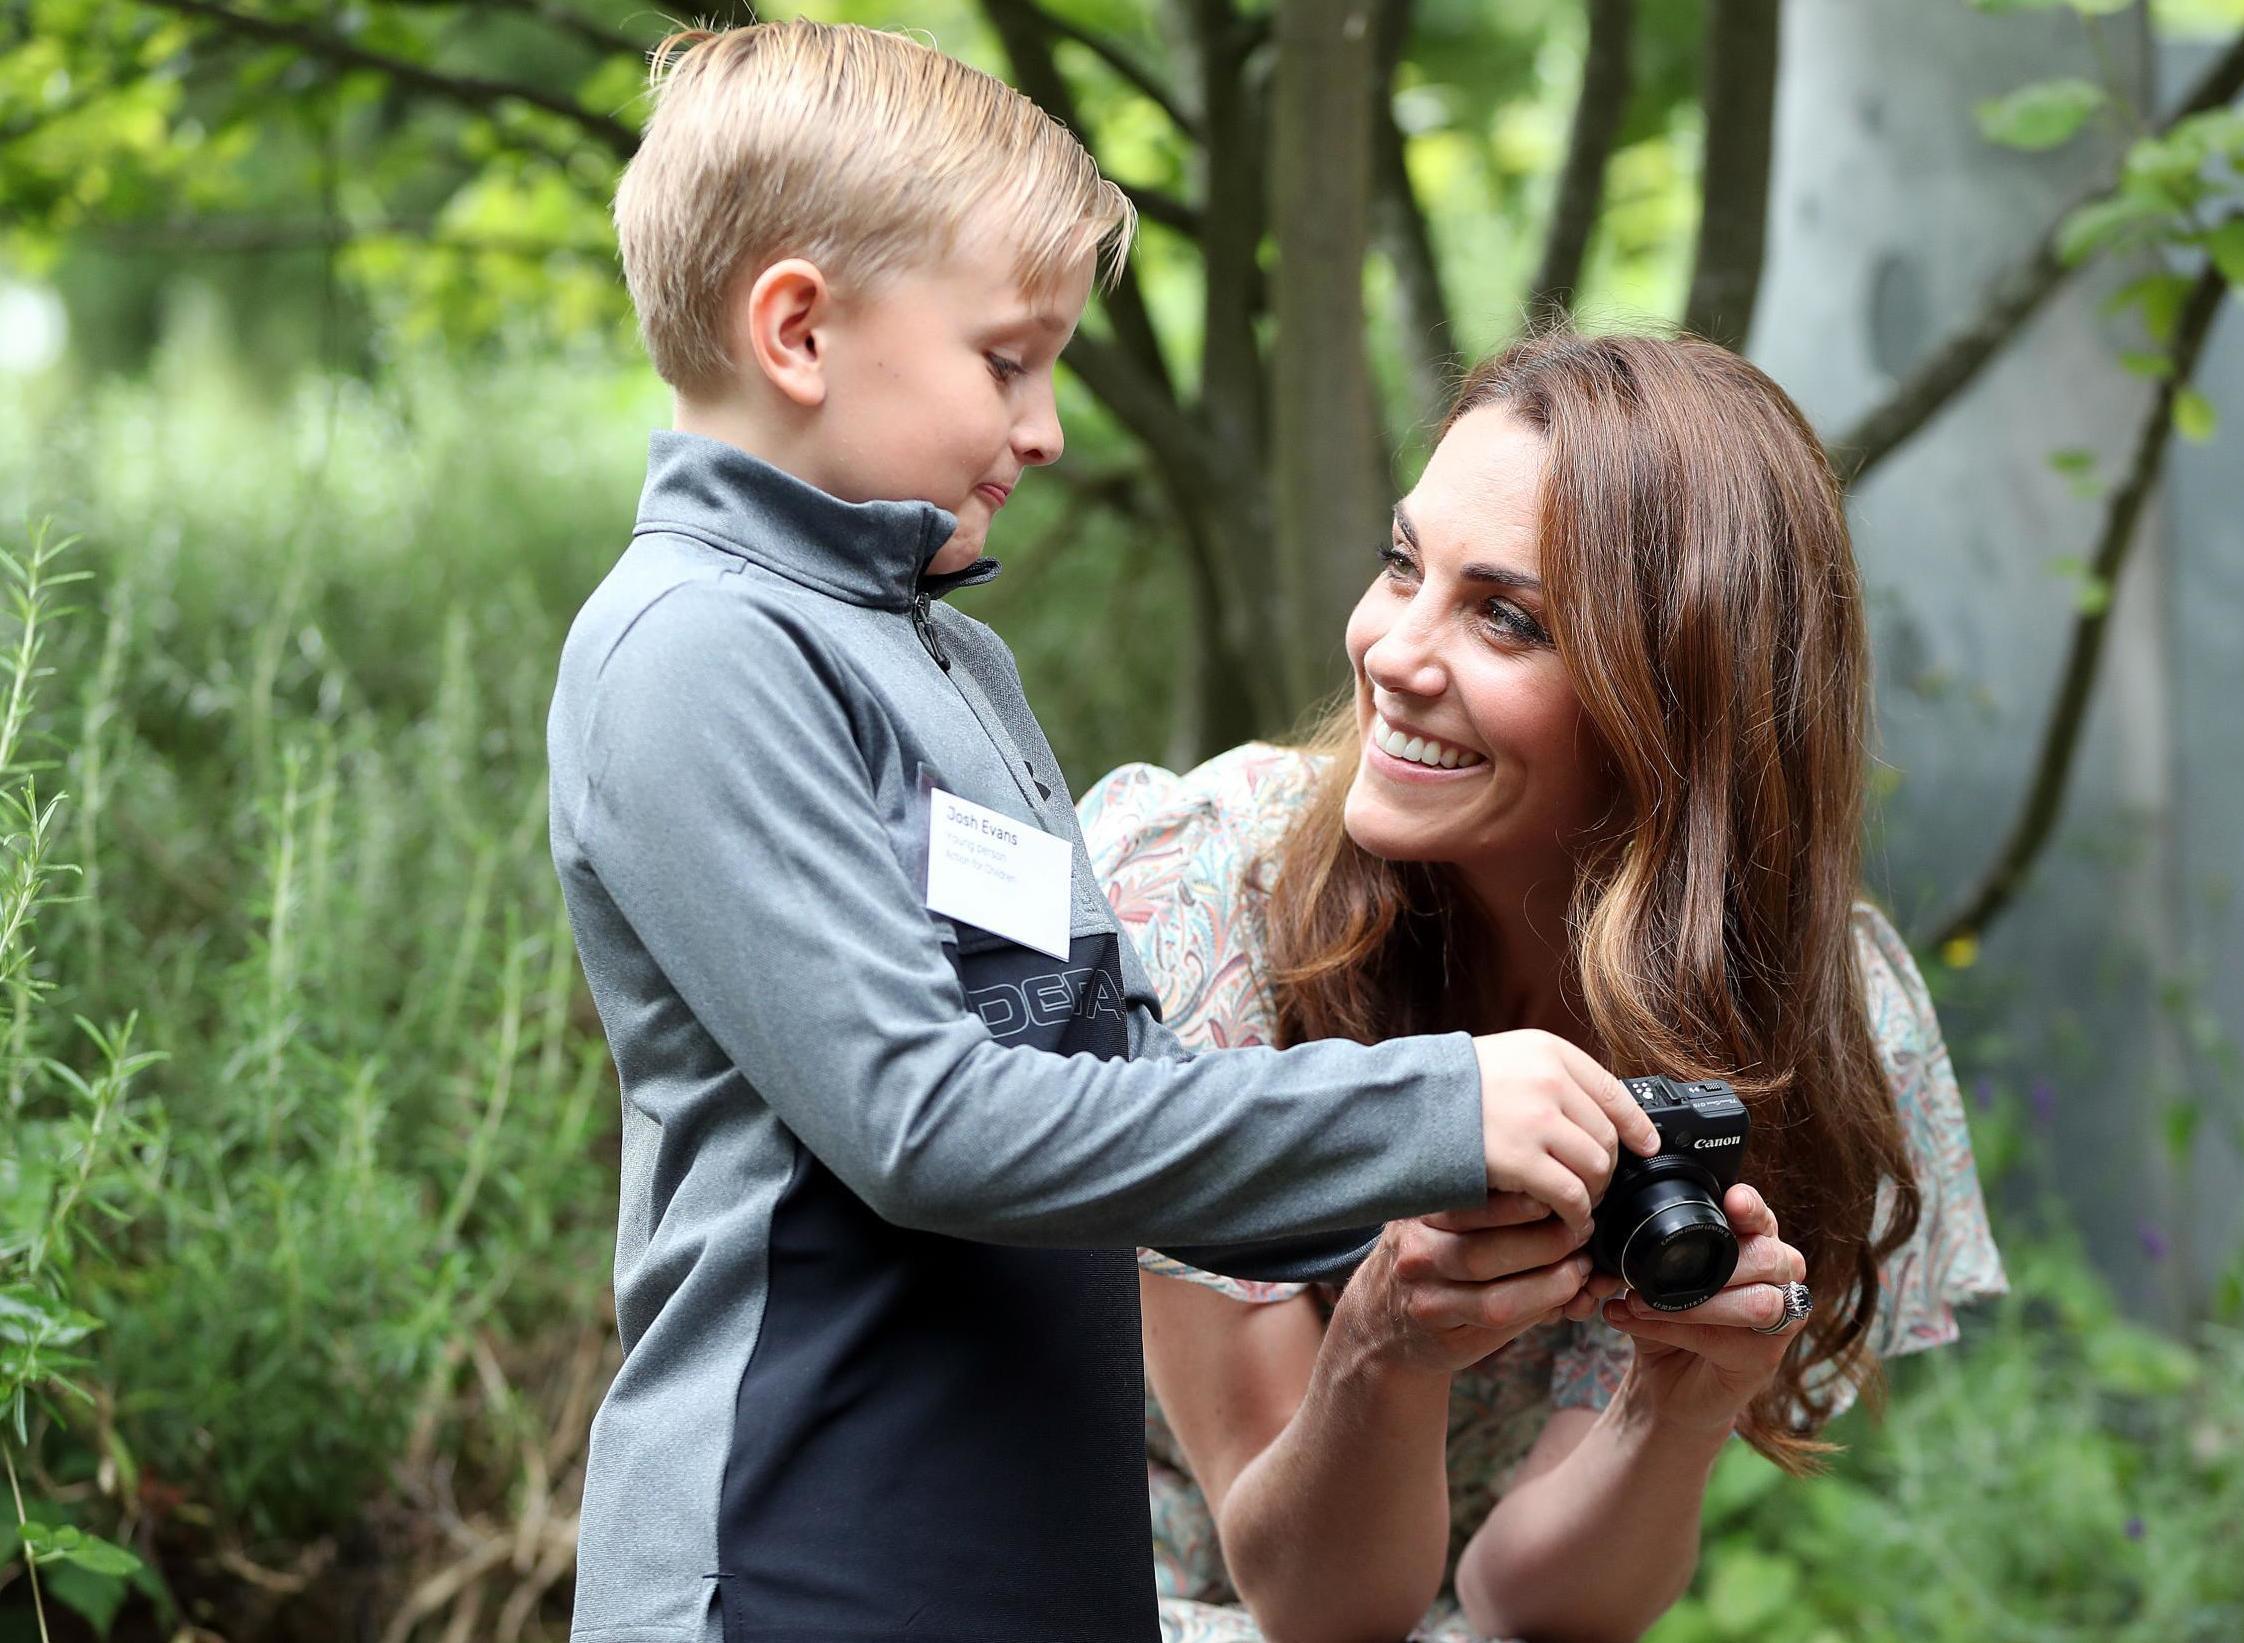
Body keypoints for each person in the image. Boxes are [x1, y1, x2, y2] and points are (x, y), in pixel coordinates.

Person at [543, 24, 1662, 1643]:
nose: (1050, 425)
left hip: (1019, 1578)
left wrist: (1511, 1205)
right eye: (1008, 359)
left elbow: (1118, 1100)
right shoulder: (693, 648)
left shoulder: (952, 657)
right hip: (790, 1567)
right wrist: (1433, 1102)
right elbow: (923, 1125)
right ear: (795, 329)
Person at [1082, 330, 2010, 1643]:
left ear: (1673, 707)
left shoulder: (1807, 1014)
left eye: (1502, 616)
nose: (1393, 653)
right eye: (1404, 564)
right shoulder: (1192, 907)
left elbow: (1534, 1608)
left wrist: (1673, 1411)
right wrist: (1384, 1346)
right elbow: (1302, 1597)